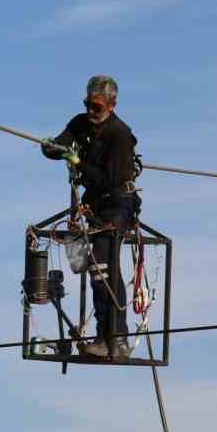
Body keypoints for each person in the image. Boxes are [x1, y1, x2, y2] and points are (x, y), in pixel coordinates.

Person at [41, 75, 140, 360]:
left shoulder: (120, 135)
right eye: (87, 104)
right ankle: (107, 339)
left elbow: (108, 180)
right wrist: (51, 147)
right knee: (99, 270)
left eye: (96, 107)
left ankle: (116, 340)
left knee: (105, 271)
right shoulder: (80, 123)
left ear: (111, 104)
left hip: (118, 204)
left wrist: (78, 163)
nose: (90, 112)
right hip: (96, 206)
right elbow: (62, 142)